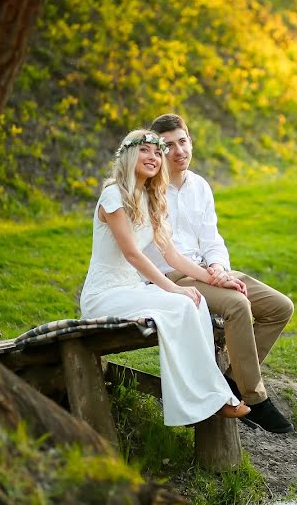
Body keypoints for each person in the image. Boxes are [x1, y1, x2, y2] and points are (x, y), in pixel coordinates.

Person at [80, 128, 251, 427]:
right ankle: (208, 400)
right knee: (182, 303)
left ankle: (208, 400)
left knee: (195, 303)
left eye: (157, 152)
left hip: (131, 290)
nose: (153, 157)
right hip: (105, 295)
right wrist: (174, 288)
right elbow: (133, 254)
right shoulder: (113, 195)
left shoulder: (151, 199)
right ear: (129, 154)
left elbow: (173, 256)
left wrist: (214, 279)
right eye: (144, 150)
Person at [145, 113, 295, 434]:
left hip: (208, 273)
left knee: (279, 307)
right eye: (168, 146)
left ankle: (232, 383)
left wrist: (217, 268)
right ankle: (256, 399)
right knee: (237, 305)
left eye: (183, 141)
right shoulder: (150, 192)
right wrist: (211, 276)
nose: (179, 150)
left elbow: (212, 240)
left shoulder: (200, 186)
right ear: (157, 151)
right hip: (172, 278)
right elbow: (166, 255)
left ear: (191, 141)